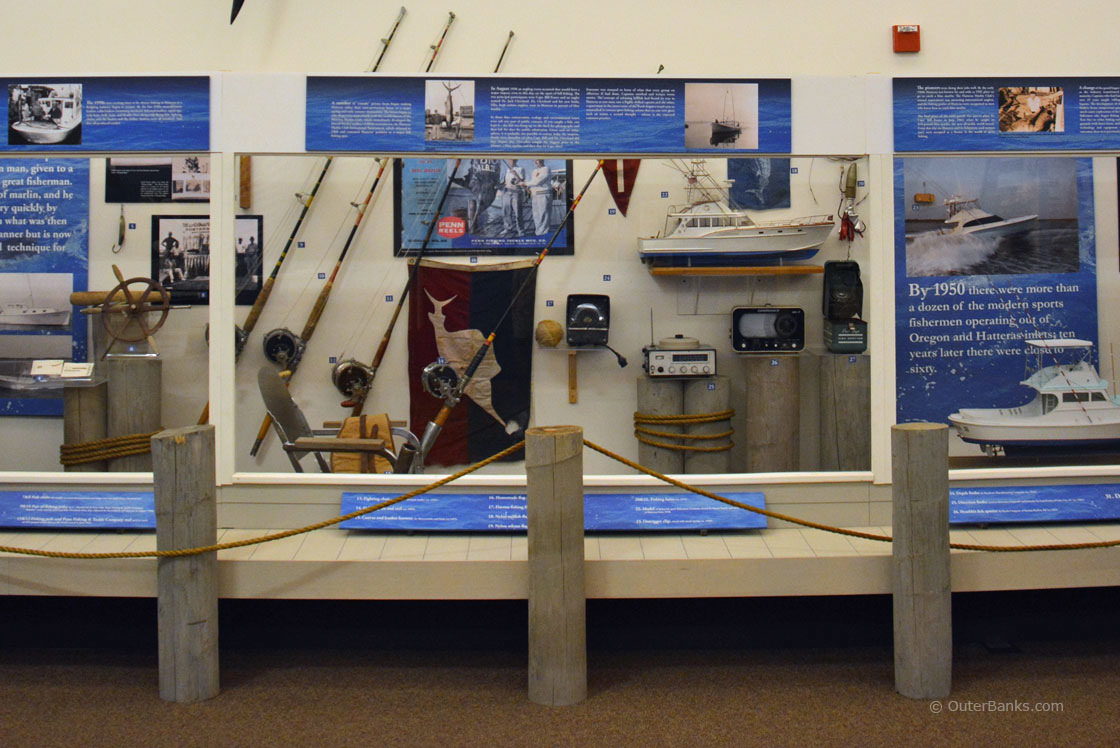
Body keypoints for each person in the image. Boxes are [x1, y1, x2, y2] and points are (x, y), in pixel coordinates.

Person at [522, 160, 553, 236]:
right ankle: (538, 232)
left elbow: (537, 181)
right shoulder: (534, 171)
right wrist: (525, 184)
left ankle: (544, 233)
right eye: (535, 161)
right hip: (535, 195)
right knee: (536, 215)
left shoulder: (546, 169)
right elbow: (532, 181)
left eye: (538, 160)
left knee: (543, 214)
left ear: (542, 160)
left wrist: (525, 183)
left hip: (543, 194)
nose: (536, 162)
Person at [500, 159, 525, 236]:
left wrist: (516, 174)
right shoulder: (506, 170)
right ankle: (507, 228)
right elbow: (504, 182)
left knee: (518, 212)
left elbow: (522, 180)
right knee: (506, 211)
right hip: (507, 192)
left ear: (516, 161)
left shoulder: (521, 169)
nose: (510, 162)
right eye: (509, 160)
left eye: (512, 160)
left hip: (516, 192)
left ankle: (520, 230)